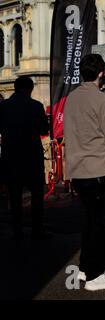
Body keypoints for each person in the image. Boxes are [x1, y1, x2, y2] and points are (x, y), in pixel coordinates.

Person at [64, 54, 105, 291]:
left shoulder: (71, 98)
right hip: (98, 170)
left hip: (79, 171)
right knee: (100, 224)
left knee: (89, 221)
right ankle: (94, 275)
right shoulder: (101, 100)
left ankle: (84, 268)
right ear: (101, 74)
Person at [0, 76, 50, 240]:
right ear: (29, 89)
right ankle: (37, 230)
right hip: (32, 158)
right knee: (36, 196)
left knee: (15, 197)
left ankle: (17, 230)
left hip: (11, 157)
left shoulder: (4, 106)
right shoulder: (35, 106)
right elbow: (44, 130)